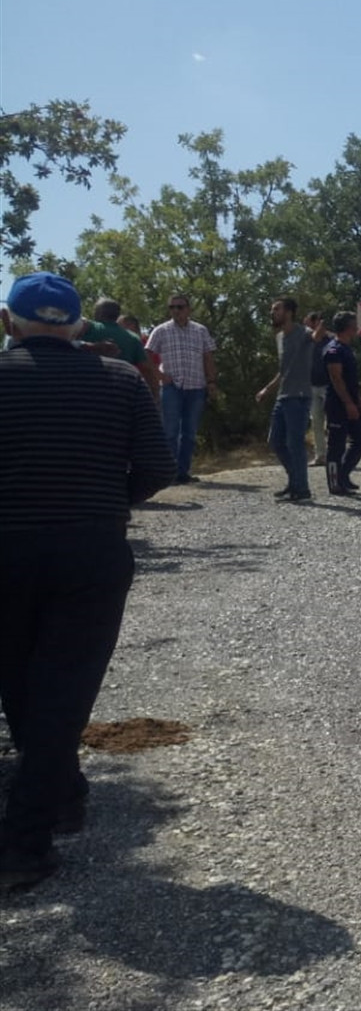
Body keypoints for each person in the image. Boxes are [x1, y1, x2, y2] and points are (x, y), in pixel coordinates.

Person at [0, 273, 175, 890]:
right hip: (91, 553)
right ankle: (29, 836)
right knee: (64, 690)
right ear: (78, 326)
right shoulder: (120, 380)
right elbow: (158, 467)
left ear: (8, 322)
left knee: (19, 682)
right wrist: (103, 501)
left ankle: (53, 807)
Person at [145, 293, 218, 484]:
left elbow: (208, 357)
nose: (176, 310)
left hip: (196, 387)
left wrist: (211, 382)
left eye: (180, 307)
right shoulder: (161, 330)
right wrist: (160, 376)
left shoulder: (200, 330)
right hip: (172, 387)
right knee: (170, 432)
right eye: (172, 307)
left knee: (190, 433)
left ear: (188, 309)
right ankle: (169, 474)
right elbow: (146, 354)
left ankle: (183, 473)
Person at [254, 296, 317, 502]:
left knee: (295, 443)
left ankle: (302, 489)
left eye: (277, 309)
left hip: (299, 397)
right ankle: (294, 481)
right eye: (272, 310)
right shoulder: (280, 337)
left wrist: (321, 329)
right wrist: (266, 390)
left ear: (289, 312)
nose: (272, 313)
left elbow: (317, 337)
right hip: (283, 396)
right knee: (276, 441)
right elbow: (283, 371)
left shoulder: (304, 332)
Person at [322, 311, 361, 495]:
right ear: (348, 327)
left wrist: (358, 398)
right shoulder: (334, 349)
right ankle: (335, 483)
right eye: (355, 324)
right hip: (337, 404)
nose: (357, 327)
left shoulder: (347, 348)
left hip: (352, 401)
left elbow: (351, 379)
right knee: (336, 445)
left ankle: (343, 475)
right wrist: (348, 403)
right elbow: (336, 378)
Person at [86, 299, 160, 398]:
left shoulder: (88, 329)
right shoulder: (132, 337)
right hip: (122, 391)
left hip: (90, 389)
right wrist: (155, 395)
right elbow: (147, 369)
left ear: (99, 313)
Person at [304, 311, 330, 466]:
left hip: (328, 386)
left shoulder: (330, 340)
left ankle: (334, 454)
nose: (305, 325)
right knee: (316, 422)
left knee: (332, 422)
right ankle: (320, 456)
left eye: (307, 322)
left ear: (316, 322)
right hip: (312, 386)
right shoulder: (306, 341)